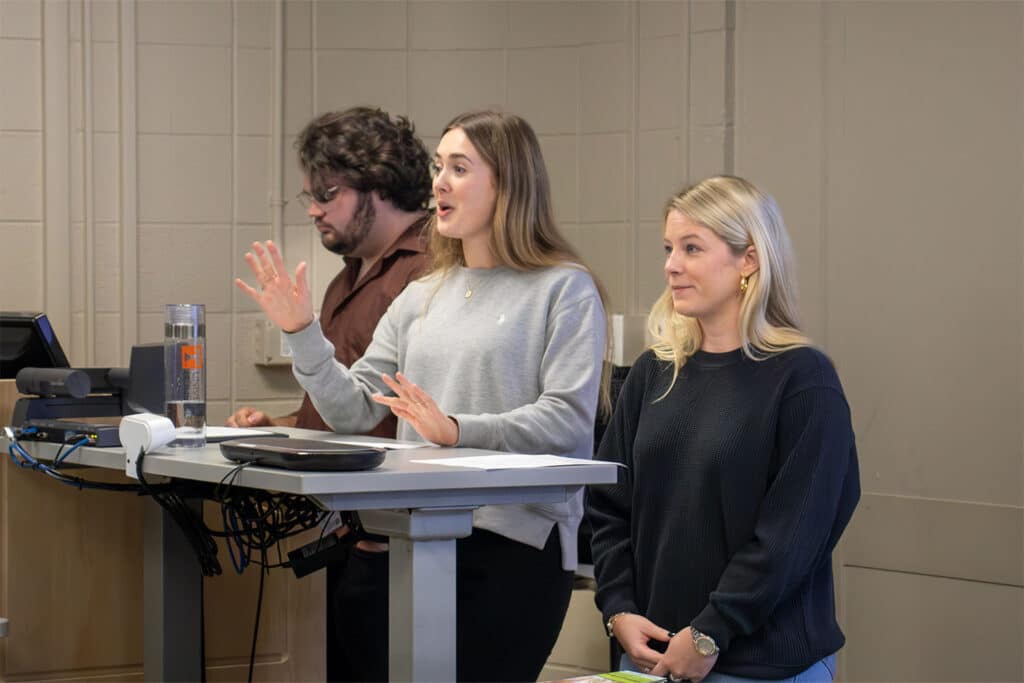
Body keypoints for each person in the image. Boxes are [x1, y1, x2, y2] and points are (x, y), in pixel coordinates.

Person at [236, 110, 609, 682]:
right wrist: (301, 334)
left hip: (513, 546)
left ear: (508, 183)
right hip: (415, 536)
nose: (439, 183)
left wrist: (458, 430)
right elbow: (355, 409)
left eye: (459, 168)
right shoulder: (422, 294)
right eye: (439, 167)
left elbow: (567, 422)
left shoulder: (564, 288)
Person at [586, 176, 860, 683]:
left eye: (692, 248)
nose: (671, 265)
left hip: (762, 666)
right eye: (669, 248)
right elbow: (608, 507)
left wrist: (711, 631)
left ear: (749, 260)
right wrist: (618, 610)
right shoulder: (653, 373)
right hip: (650, 657)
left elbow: (792, 536)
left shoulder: (803, 380)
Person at [226, 107, 433, 683]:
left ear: (381, 182)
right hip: (349, 531)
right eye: (310, 196)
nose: (314, 208)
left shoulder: (430, 274)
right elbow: (354, 402)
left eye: (328, 193)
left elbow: (409, 415)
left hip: (399, 537)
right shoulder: (348, 277)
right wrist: (286, 421)